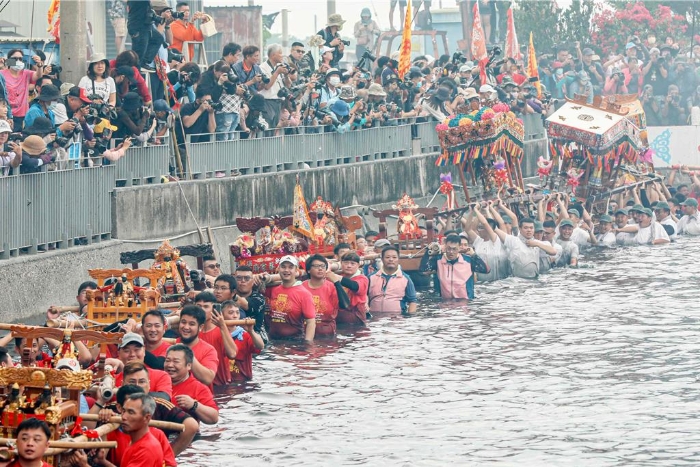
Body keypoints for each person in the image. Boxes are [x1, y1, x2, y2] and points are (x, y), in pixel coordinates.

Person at [263, 255, 316, 342]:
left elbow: (311, 322)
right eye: (283, 267)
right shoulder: (273, 290)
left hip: (294, 341)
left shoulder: (304, 294)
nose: (286, 270)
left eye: (290, 267)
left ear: (296, 271)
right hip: (273, 341)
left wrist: (308, 344)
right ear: (278, 269)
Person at [420, 234, 489, 299]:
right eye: (448, 248)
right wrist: (428, 251)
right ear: (445, 247)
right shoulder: (438, 260)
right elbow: (423, 270)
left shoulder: (468, 261)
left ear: (459, 248)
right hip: (445, 302)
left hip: (466, 302)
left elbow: (486, 270)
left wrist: (474, 255)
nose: (451, 252)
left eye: (454, 249)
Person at [165, 344, 219, 424]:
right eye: (167, 360)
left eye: (176, 361)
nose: (170, 365)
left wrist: (194, 405)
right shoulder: (157, 380)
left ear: (189, 366)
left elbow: (214, 418)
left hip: (186, 434)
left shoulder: (198, 388)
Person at [193, 291, 238, 387]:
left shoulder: (220, 330)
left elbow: (232, 354)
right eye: (198, 306)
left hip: (220, 386)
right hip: (199, 386)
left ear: (213, 309)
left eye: (206, 307)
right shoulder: (190, 331)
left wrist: (223, 327)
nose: (201, 310)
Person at [108, 332, 173, 398]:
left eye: (137, 350)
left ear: (144, 351)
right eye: (126, 351)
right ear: (119, 353)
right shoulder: (112, 379)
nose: (132, 354)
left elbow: (165, 397)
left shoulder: (161, 375)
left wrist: (122, 392)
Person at [1, 49, 44, 129]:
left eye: (20, 59)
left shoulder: (26, 73)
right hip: (7, 114)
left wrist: (39, 65)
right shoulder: (2, 74)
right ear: (8, 60)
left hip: (22, 115)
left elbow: (38, 76)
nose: (18, 61)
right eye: (15, 59)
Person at [221, 301, 264, 381]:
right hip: (224, 382)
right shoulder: (216, 334)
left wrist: (251, 331)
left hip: (242, 382)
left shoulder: (245, 335)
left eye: (237, 313)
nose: (235, 316)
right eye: (231, 313)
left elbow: (260, 346)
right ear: (221, 316)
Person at [368, 246, 417, 315]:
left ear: (398, 259)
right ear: (382, 259)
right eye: (387, 257)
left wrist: (411, 317)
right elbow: (364, 296)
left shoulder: (405, 279)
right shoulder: (371, 277)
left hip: (397, 318)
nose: (391, 259)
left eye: (394, 257)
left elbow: (412, 301)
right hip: (375, 319)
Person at [119, 393, 164, 467]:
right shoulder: (136, 442)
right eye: (123, 411)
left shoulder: (146, 449)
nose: (124, 417)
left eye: (131, 412)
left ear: (146, 418)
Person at [301, 255, 341, 337]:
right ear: (308, 270)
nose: (320, 269)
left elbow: (339, 306)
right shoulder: (301, 288)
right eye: (316, 266)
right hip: (304, 333)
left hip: (327, 334)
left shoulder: (331, 287)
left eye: (323, 266)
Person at [259, 44, 292, 130]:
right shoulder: (263, 67)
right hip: (268, 101)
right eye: (280, 53)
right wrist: (277, 72)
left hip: (278, 102)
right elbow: (267, 86)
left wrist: (286, 75)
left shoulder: (279, 66)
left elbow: (288, 85)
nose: (282, 55)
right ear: (273, 55)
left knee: (274, 129)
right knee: (268, 128)